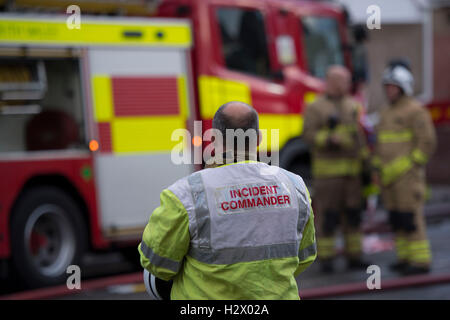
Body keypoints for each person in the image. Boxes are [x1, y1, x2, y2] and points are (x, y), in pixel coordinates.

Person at [138, 101, 316, 299]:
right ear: (258, 138)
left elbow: (156, 263)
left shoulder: (186, 194)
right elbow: (304, 256)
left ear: (213, 139)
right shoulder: (295, 186)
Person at [303, 65, 370, 273]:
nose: (348, 85)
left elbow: (360, 137)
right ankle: (327, 259)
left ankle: (355, 256)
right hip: (328, 176)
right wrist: (328, 139)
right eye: (344, 81)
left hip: (352, 175)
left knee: (353, 216)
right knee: (327, 217)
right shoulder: (315, 107)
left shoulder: (353, 105)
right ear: (331, 82)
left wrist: (367, 166)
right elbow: (308, 136)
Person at [372, 60, 436, 275]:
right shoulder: (385, 112)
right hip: (389, 177)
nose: (388, 91)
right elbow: (380, 144)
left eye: (393, 87)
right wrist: (377, 167)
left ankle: (420, 262)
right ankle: (404, 257)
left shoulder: (415, 111)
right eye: (387, 87)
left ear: (403, 87)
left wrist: (410, 165)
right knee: (397, 219)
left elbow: (427, 143)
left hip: (407, 178)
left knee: (411, 219)